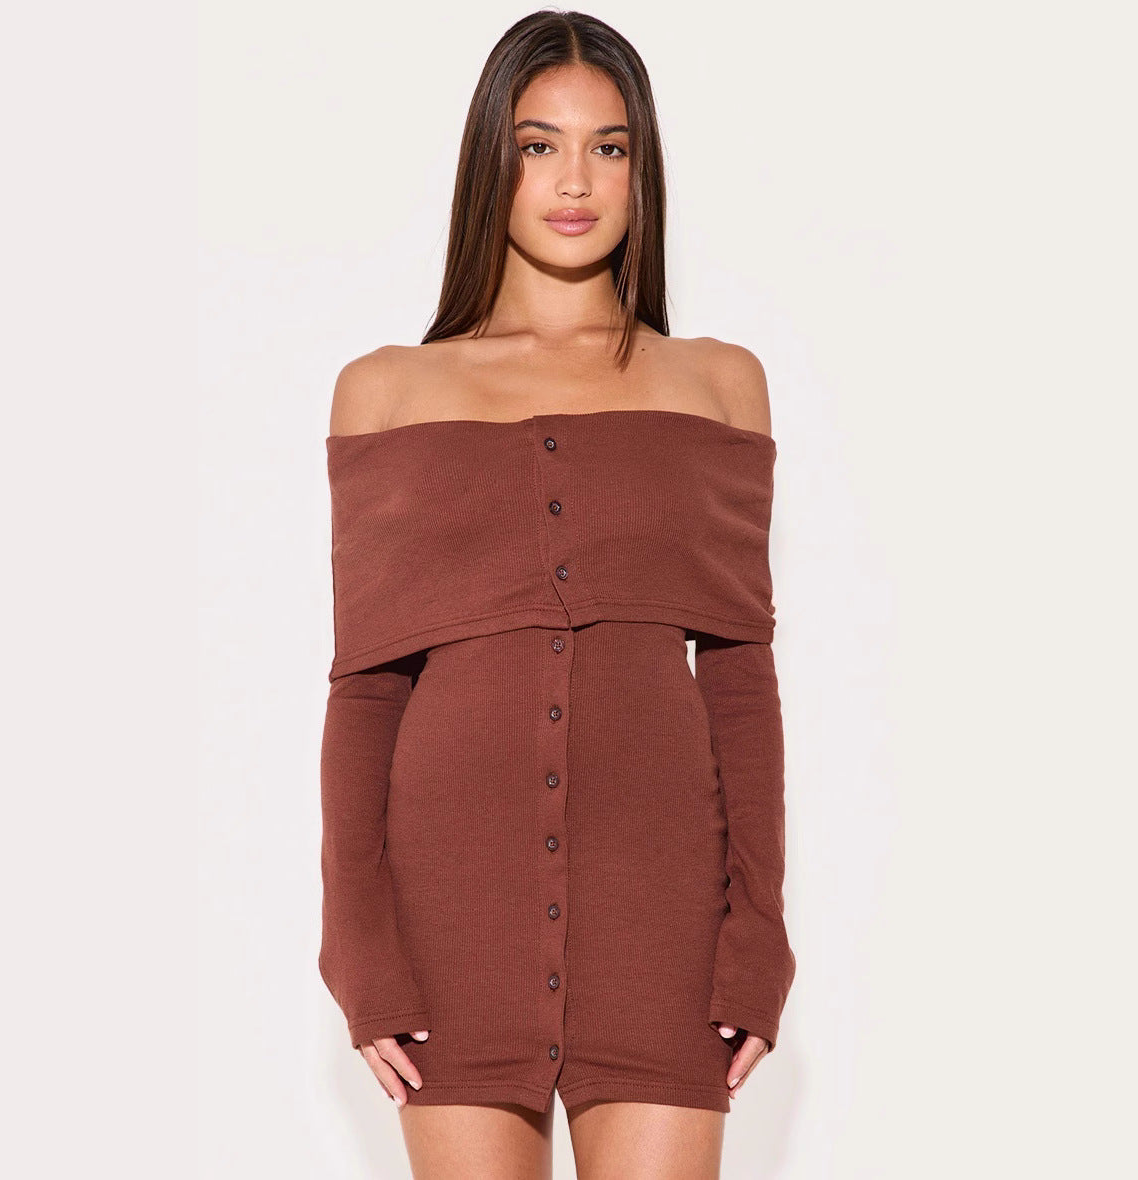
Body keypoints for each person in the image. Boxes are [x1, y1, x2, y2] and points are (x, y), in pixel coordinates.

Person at [318, 10, 796, 1178]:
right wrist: (360, 946)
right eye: (539, 145)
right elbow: (367, 691)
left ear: (642, 169)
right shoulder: (386, 391)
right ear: (493, 162)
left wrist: (756, 936)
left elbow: (739, 678)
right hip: (452, 912)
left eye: (608, 147)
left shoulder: (716, 383)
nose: (575, 180)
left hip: (662, 913)